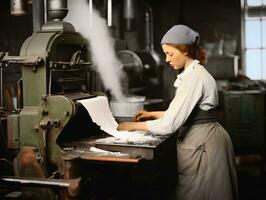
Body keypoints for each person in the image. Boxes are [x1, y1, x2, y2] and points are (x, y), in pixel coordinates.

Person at [117, 25, 238, 200]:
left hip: (204, 144)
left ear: (186, 50)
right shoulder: (194, 74)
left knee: (201, 193)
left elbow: (170, 125)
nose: (167, 59)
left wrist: (130, 126)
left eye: (170, 54)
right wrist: (152, 114)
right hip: (206, 136)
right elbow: (181, 112)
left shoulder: (193, 78)